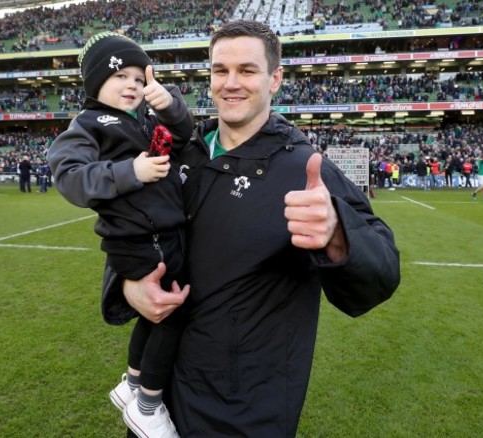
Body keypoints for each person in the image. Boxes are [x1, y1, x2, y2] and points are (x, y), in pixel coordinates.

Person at [106, 20, 400, 437]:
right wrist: (127, 286)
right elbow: (131, 229)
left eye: (247, 70)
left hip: (243, 410)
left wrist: (338, 232)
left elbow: (383, 272)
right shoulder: (178, 152)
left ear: (275, 78)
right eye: (220, 70)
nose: (231, 83)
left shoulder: (302, 167)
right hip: (158, 400)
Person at [47, 31, 194, 438]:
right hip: (139, 238)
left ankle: (131, 383)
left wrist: (173, 108)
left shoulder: (146, 120)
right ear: (96, 84)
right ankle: (148, 405)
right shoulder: (88, 123)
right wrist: (132, 171)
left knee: (155, 313)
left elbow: (185, 139)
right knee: (174, 311)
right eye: (119, 77)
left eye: (138, 77)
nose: (131, 85)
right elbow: (70, 176)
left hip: (160, 232)